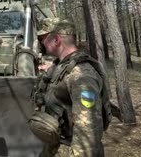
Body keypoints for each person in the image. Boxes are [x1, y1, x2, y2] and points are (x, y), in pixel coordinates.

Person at [29, 18, 112, 157]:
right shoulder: (61, 67)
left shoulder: (81, 75)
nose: (40, 43)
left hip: (70, 150)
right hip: (55, 147)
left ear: (56, 40)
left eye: (42, 38)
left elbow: (87, 132)